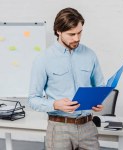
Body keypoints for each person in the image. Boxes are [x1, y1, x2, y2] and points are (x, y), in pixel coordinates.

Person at [29, 7, 105, 150]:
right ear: (58, 31)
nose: (77, 38)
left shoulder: (90, 55)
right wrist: (55, 105)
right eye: (71, 34)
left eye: (79, 32)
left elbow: (100, 87)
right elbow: (33, 99)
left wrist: (99, 101)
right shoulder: (43, 59)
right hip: (59, 129)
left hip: (88, 127)